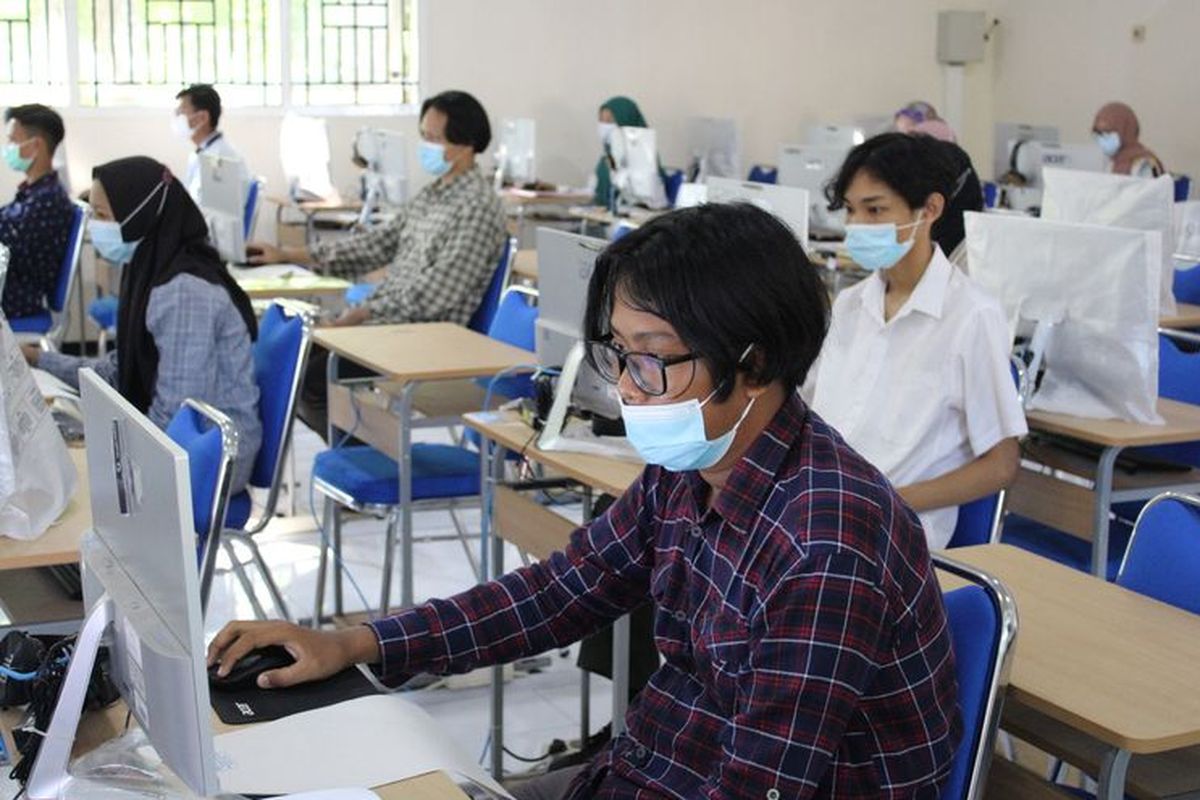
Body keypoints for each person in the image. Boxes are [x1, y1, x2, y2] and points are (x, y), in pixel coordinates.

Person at [209, 203, 961, 798]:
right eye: (616, 352)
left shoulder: (823, 546)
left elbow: (759, 786)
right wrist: (357, 644)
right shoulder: (697, 461)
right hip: (652, 768)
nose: (627, 386)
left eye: (651, 359)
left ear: (754, 361)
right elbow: (554, 594)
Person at [804, 132, 1026, 551]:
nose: (857, 226)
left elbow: (1001, 465)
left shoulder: (971, 316)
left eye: (876, 210)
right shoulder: (850, 306)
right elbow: (807, 416)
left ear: (930, 209)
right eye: (851, 211)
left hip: (894, 540)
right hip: (821, 516)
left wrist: (888, 503)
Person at [245, 89, 507, 436]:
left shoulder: (477, 207)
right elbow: (375, 245)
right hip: (389, 323)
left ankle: (361, 457)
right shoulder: (434, 193)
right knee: (291, 357)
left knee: (310, 375)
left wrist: (361, 314)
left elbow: (434, 298)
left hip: (425, 336)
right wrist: (290, 255)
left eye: (434, 138)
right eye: (423, 136)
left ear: (466, 144)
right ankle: (358, 452)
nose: (425, 146)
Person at [26, 157, 262, 492]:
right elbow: (116, 371)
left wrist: (113, 462)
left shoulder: (184, 291)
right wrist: (37, 359)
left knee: (64, 482)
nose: (95, 226)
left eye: (102, 216)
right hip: (182, 442)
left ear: (140, 217)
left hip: (210, 459)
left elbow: (178, 416)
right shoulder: (149, 268)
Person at [0, 104, 76, 321]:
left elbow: (9, 245)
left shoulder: (47, 201)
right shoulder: (33, 193)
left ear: (36, 146)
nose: (8, 148)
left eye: (14, 141)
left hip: (17, 301)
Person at [593, 96, 667, 210]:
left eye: (609, 121)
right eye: (601, 120)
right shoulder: (608, 156)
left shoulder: (646, 156)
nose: (604, 126)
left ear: (625, 120)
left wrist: (616, 173)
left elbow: (646, 192)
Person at [174, 83, 243, 205]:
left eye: (182, 111)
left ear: (203, 118)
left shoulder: (218, 159)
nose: (177, 116)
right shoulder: (204, 153)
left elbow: (218, 216)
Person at [1092, 101, 1165, 178]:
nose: (1101, 140)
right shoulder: (1111, 162)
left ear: (1126, 131)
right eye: (1098, 134)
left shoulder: (1148, 164)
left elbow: (1157, 188)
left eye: (1107, 133)